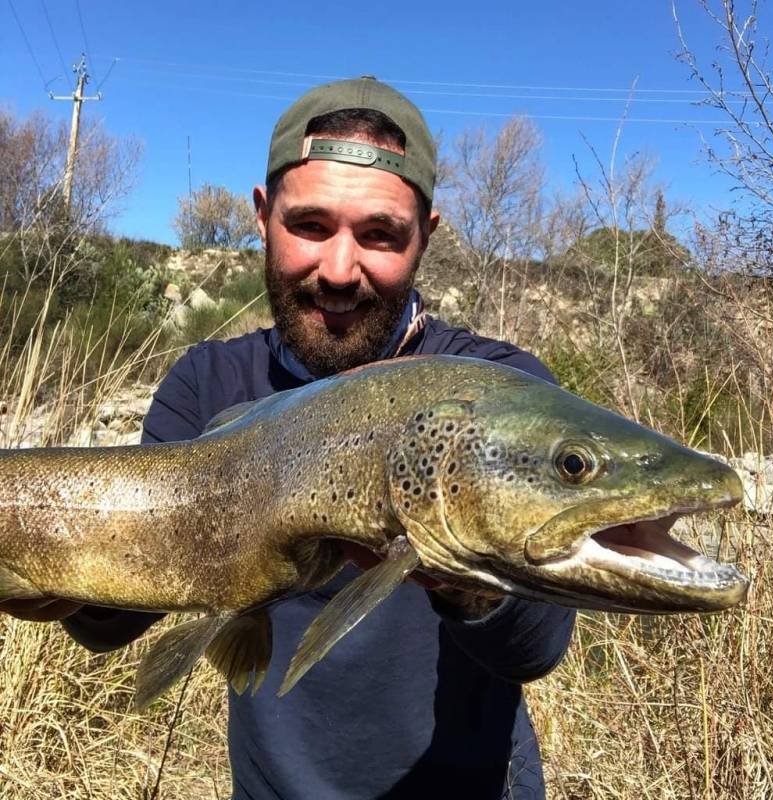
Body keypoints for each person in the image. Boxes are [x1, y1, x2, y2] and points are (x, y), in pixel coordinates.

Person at [1, 77, 575, 799]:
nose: (338, 270)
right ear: (263, 218)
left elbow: (535, 646)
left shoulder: (500, 393)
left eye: (379, 235)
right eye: (310, 226)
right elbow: (116, 623)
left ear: (425, 236)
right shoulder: (209, 382)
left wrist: (458, 571)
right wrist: (46, 570)